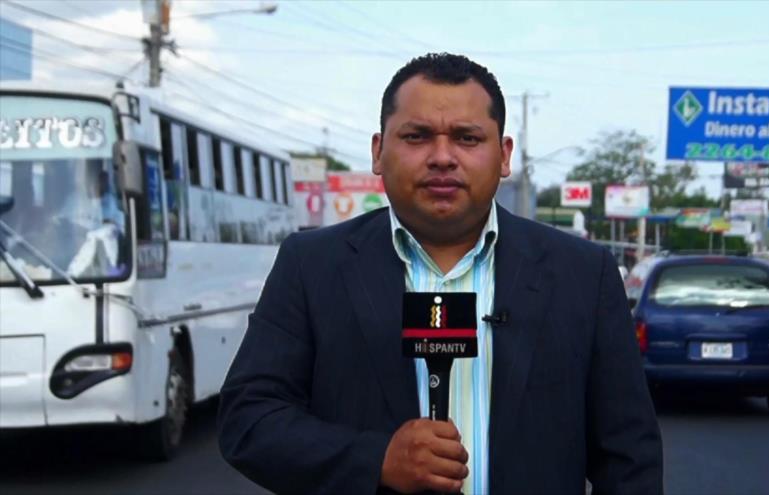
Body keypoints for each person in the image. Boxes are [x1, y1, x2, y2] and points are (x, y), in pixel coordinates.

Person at [218, 53, 663, 494]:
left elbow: (629, 457)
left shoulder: (582, 275)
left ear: (504, 155)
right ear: (378, 151)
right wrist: (375, 460)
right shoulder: (311, 264)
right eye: (417, 136)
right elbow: (249, 419)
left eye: (468, 138)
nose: (443, 157)